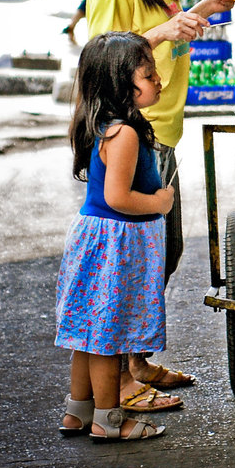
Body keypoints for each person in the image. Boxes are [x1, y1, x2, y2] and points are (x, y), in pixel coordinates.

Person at [86, 0, 234, 413]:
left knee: (160, 253)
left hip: (162, 129)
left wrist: (200, 12)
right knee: (137, 259)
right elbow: (102, 56)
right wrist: (165, 31)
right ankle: (120, 384)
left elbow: (155, 36)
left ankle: (136, 363)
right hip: (135, 136)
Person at [55, 31, 170, 442]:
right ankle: (108, 420)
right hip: (116, 244)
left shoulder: (104, 124)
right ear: (121, 83)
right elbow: (117, 197)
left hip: (101, 240)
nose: (159, 81)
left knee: (88, 334)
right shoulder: (124, 134)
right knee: (107, 338)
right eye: (149, 73)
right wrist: (159, 201)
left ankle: (77, 412)